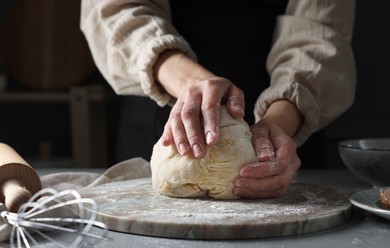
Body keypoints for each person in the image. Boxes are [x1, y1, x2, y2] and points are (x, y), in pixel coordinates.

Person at [80, 0, 356, 199]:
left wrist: (280, 121)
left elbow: (320, 32)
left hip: (283, 132)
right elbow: (115, 11)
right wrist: (190, 81)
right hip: (161, 110)